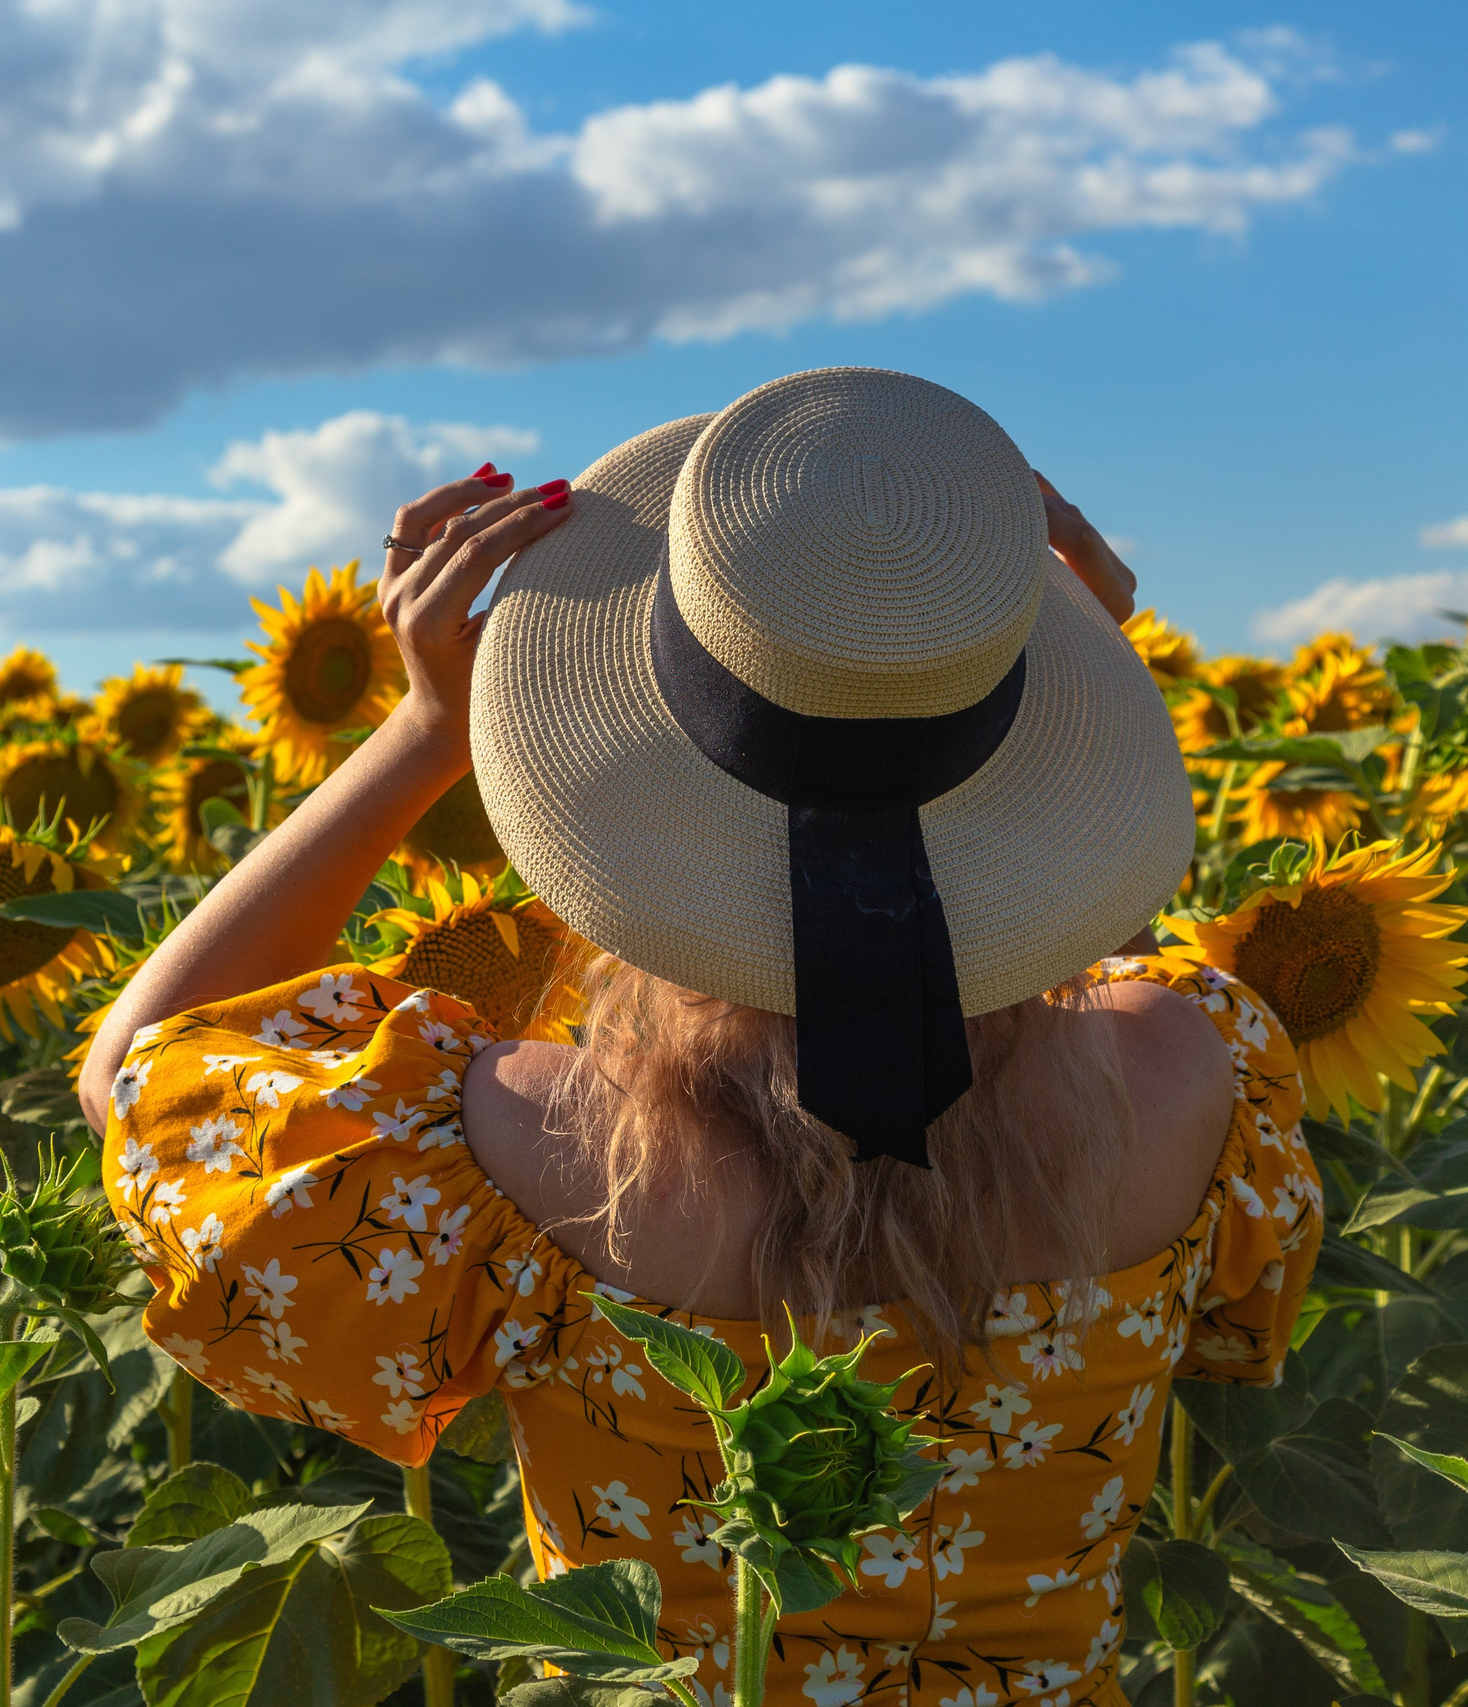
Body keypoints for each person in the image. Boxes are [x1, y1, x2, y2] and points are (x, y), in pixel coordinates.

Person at [78, 368, 1319, 1707]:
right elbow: (1212, 1294)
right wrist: (1054, 736)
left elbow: (138, 1071)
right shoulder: (1194, 1076)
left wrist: (427, 728)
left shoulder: (531, 1147)